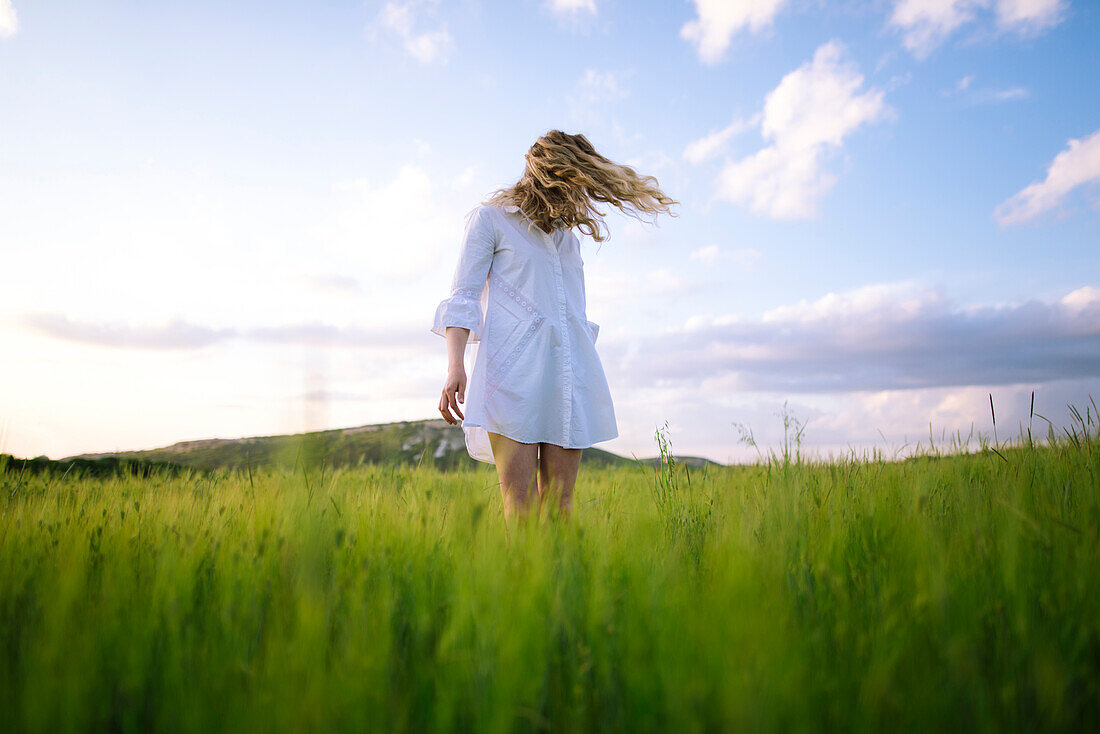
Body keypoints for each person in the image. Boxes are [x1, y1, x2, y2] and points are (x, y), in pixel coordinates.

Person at [432, 130, 677, 523]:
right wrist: (455, 366)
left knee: (560, 508)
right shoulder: (491, 220)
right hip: (511, 382)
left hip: (567, 380)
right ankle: (523, 585)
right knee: (521, 506)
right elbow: (462, 298)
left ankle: (560, 586)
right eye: (569, 185)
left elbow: (571, 314)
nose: (576, 199)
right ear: (545, 177)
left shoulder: (569, 240)